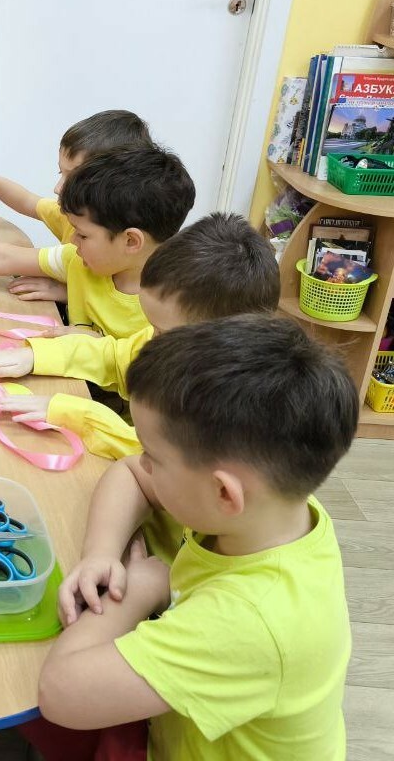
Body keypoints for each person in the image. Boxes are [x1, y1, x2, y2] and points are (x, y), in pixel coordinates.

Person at [35, 315, 355, 760]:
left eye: (152, 454)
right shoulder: (271, 510)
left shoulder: (249, 620)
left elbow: (59, 693)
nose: (142, 462)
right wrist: (100, 554)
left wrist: (142, 590)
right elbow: (130, 474)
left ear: (224, 492)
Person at [0, 213, 280, 459]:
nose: (151, 339)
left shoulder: (235, 404)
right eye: (152, 325)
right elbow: (114, 355)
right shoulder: (171, 340)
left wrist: (75, 413)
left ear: (230, 339)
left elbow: (155, 454)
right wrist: (35, 356)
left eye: (162, 331)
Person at [0, 145, 195, 343]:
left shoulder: (169, 314)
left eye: (83, 235)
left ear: (131, 240)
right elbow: (3, 257)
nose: (72, 241)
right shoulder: (80, 259)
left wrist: (95, 344)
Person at [0, 110, 152, 301]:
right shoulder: (71, 218)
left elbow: (3, 257)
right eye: (61, 172)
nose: (58, 188)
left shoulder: (146, 285)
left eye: (74, 178)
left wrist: (71, 293)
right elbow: (26, 201)